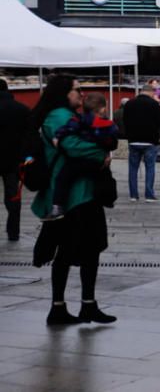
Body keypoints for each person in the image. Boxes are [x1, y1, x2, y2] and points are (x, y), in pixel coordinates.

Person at [31, 75, 117, 326]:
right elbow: (73, 146)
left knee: (87, 250)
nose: (82, 94)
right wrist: (101, 154)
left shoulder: (67, 115)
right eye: (77, 90)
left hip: (81, 192)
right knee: (70, 251)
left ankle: (84, 305)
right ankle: (62, 307)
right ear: (63, 92)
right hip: (74, 196)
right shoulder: (59, 115)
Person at [43, 93, 119, 221]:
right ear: (102, 109)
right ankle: (108, 198)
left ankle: (57, 207)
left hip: (79, 161)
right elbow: (113, 141)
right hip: (96, 162)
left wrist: (57, 136)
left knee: (63, 178)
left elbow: (68, 128)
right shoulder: (109, 125)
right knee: (105, 177)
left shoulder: (79, 119)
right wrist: (105, 151)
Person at [123, 85, 160, 203]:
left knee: (133, 168)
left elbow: (125, 120)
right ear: (151, 93)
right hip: (150, 141)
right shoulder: (154, 104)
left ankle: (133, 195)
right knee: (150, 168)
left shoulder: (129, 104)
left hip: (134, 140)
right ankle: (149, 195)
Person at [0, 79, 29, 241]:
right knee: (13, 196)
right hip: (13, 159)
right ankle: (13, 231)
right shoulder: (21, 109)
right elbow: (29, 135)